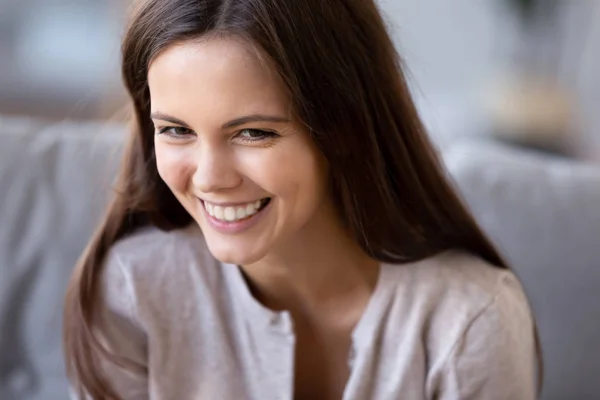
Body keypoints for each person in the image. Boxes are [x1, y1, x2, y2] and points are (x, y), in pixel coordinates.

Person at [63, 0, 540, 399]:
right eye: (176, 130)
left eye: (253, 132)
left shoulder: (470, 322)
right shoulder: (130, 293)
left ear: (344, 128)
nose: (209, 178)